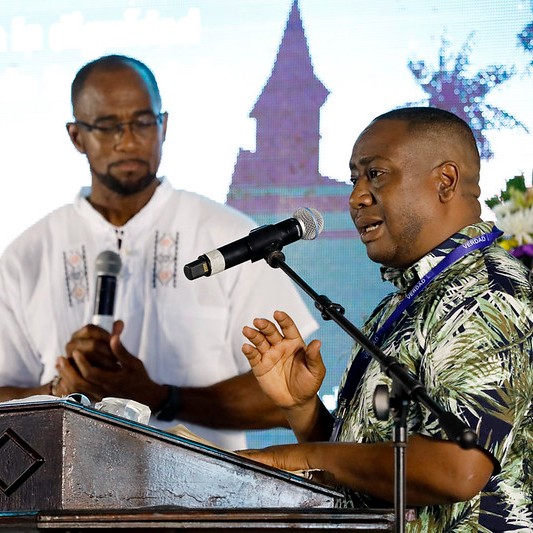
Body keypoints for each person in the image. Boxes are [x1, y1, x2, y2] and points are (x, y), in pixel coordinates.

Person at [0, 54, 318, 450]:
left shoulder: (231, 237)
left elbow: (294, 394)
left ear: (164, 126)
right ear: (76, 136)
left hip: (207, 503)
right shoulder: (26, 255)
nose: (128, 139)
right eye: (108, 126)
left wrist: (163, 397)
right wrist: (60, 391)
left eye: (142, 122)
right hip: (65, 502)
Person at [240, 107, 533, 531]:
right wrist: (302, 410)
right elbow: (363, 475)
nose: (356, 196)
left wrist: (296, 457)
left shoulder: (488, 295)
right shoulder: (404, 301)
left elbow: (458, 469)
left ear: (445, 181)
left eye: (375, 174)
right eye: (354, 178)